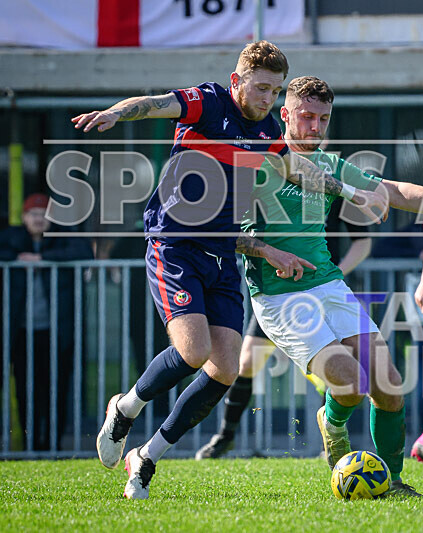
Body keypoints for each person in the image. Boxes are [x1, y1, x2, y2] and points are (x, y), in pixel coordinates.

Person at [72, 41, 388, 500]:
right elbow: (153, 104)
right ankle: (125, 408)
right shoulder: (208, 102)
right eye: (261, 87)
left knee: (224, 368)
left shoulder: (267, 133)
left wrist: (352, 194)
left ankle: (147, 457)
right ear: (238, 80)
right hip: (174, 244)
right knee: (194, 350)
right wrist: (119, 112)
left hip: (223, 254)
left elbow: (297, 168)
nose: (268, 99)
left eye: (276, 91)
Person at [243, 76, 423, 498]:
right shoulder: (258, 162)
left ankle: (391, 483)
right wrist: (269, 252)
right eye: (306, 117)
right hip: (279, 295)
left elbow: (392, 190)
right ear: (284, 115)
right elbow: (227, 235)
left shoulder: (330, 165)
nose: (315, 127)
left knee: (388, 384)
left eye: (323, 119)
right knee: (351, 383)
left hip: (329, 285)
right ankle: (332, 421)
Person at [196, 208, 371, 459]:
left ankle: (328, 444)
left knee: (332, 374)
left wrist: (333, 273)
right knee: (246, 364)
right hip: (278, 296)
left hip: (320, 294)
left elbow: (363, 241)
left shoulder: (329, 184)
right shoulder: (272, 186)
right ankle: (225, 436)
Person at [0, 193, 93, 451]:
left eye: (43, 214)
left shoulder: (63, 237)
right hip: (20, 331)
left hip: (56, 331)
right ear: (24, 217)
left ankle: (51, 445)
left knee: (56, 388)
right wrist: (18, 257)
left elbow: (83, 251)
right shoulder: (12, 237)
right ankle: (31, 444)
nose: (38, 219)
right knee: (25, 388)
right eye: (33, 214)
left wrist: (41, 259)